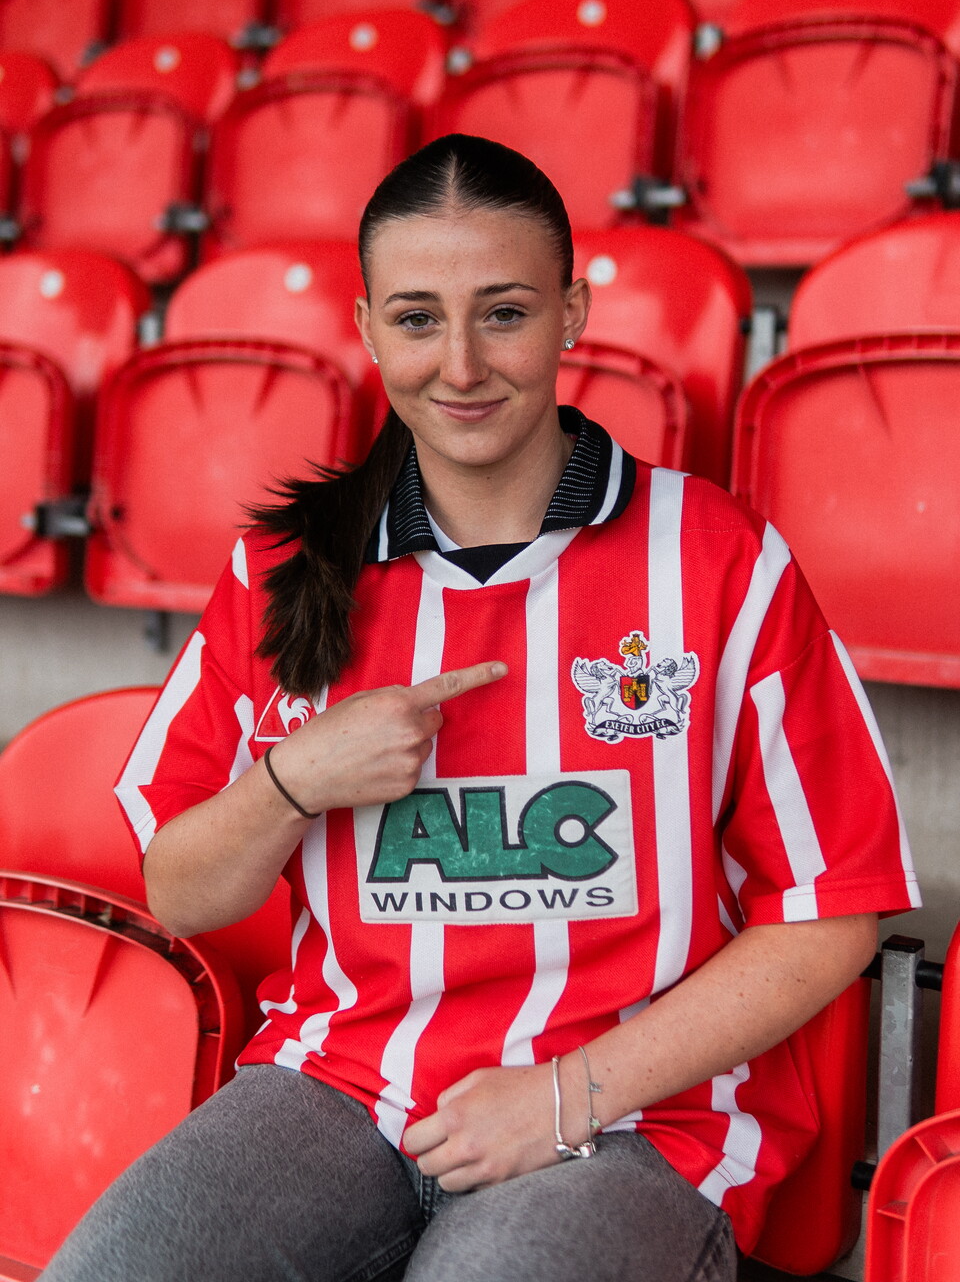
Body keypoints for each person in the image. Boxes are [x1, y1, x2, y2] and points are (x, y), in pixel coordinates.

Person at [41, 134, 919, 1282]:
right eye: (416, 318)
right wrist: (295, 778)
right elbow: (180, 885)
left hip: (630, 1122)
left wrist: (565, 1096)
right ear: (365, 330)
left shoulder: (716, 559)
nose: (458, 363)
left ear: (573, 312)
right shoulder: (285, 567)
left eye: (502, 312)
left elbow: (830, 912)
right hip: (338, 1088)